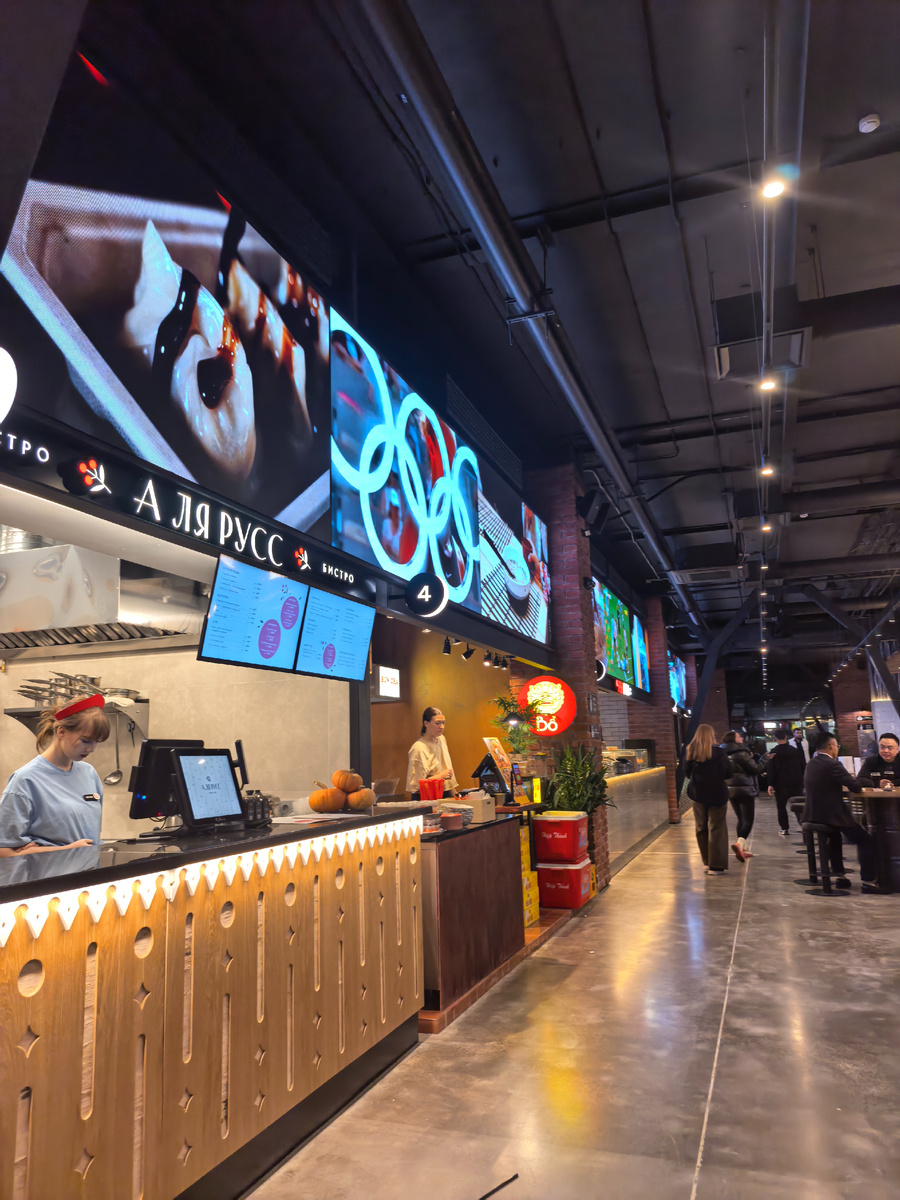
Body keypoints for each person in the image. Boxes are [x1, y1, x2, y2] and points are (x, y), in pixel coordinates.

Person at [0, 694, 110, 857]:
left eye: (97, 742)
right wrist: (67, 850)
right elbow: (4, 851)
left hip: (89, 871)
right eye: (86, 741)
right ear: (61, 732)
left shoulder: (89, 773)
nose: (91, 749)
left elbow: (92, 838)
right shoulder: (26, 780)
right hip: (49, 874)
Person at [803, 733, 878, 892]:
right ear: (831, 746)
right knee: (866, 841)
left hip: (813, 815)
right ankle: (868, 881)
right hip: (831, 816)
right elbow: (855, 787)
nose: (837, 748)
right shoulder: (832, 764)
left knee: (835, 836)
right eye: (836, 745)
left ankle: (840, 877)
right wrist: (869, 781)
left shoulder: (811, 763)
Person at [683, 724, 732, 873]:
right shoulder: (720, 753)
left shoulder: (691, 752)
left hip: (698, 794)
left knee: (701, 826)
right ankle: (716, 866)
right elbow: (729, 773)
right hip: (717, 793)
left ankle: (706, 861)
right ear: (712, 735)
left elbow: (687, 773)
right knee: (717, 827)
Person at [722, 730, 764, 862]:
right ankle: (739, 844)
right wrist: (767, 759)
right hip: (745, 790)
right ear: (734, 740)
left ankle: (743, 849)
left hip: (731, 790)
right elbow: (756, 769)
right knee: (748, 820)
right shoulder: (741, 753)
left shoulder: (723, 753)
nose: (741, 739)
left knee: (740, 819)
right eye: (739, 737)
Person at [406, 707, 458, 798]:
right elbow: (416, 786)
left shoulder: (441, 739)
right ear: (426, 723)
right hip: (426, 797)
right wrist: (440, 776)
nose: (442, 727)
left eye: (443, 723)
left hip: (443, 792)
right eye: (437, 723)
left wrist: (455, 793)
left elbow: (447, 770)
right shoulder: (419, 748)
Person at [766, 729, 806, 835]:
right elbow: (803, 766)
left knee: (781, 807)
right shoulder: (795, 751)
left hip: (780, 784)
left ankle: (784, 828)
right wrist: (803, 781)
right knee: (799, 806)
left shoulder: (773, 752)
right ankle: (804, 825)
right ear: (786, 737)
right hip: (796, 782)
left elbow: (771, 769)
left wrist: (770, 784)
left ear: (775, 738)